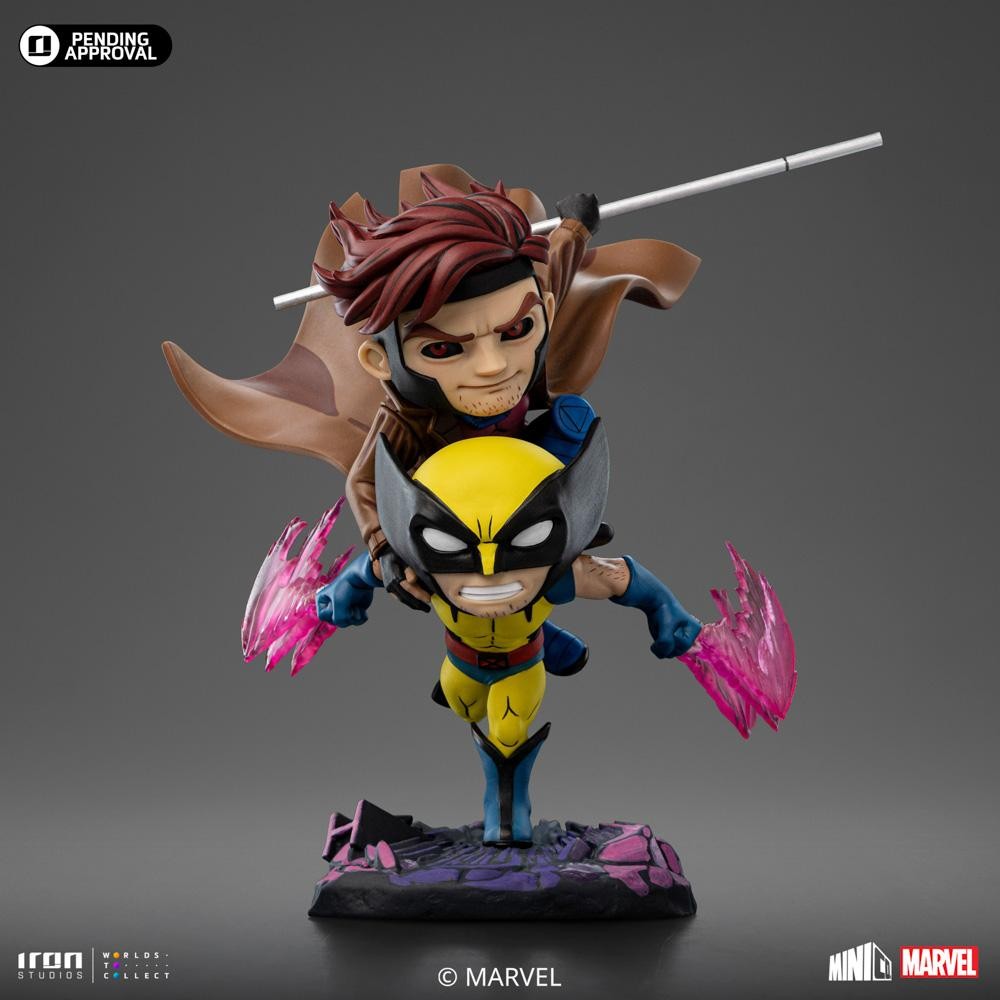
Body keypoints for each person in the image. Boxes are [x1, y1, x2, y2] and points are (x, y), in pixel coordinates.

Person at [316, 424, 701, 846]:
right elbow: (370, 569)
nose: (488, 568)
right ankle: (545, 635)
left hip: (521, 666)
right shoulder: (420, 572)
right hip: (460, 663)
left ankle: (506, 814)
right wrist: (344, 589)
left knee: (507, 731)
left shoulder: (558, 575)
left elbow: (622, 578)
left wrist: (666, 610)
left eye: (527, 539)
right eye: (450, 545)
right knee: (464, 707)